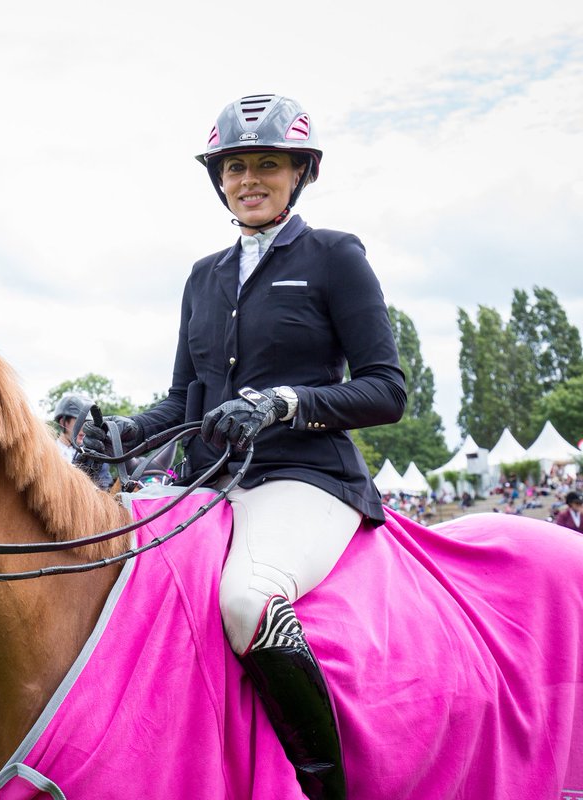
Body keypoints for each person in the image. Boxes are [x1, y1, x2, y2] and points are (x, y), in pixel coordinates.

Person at [83, 94, 406, 799]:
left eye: (267, 164)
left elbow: (387, 388)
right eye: (235, 167)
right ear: (218, 179)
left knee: (248, 600)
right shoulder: (202, 276)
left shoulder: (333, 256)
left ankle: (327, 784)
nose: (249, 178)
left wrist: (286, 404)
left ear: (299, 175)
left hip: (306, 478)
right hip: (211, 484)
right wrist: (128, 432)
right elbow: (183, 398)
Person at [51, 393, 114, 490]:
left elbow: (105, 488)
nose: (85, 429)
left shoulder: (96, 455)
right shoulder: (48, 453)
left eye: (89, 423)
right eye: (80, 422)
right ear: (63, 423)